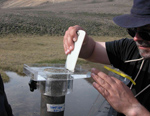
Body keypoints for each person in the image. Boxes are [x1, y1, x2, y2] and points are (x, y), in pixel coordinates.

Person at [63, 0, 150, 116]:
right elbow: (91, 50)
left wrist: (133, 109)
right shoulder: (130, 49)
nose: (136, 38)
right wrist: (81, 39)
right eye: (133, 31)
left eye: (145, 33)